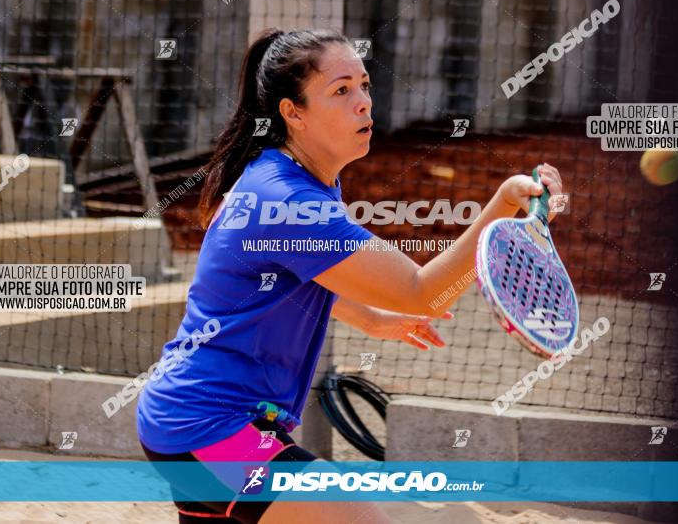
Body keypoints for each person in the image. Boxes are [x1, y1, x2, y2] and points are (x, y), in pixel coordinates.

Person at [136, 28, 564, 524]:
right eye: (341, 90)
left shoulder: (284, 177)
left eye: (363, 85)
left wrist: (370, 318)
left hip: (196, 422)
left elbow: (277, 278)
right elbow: (422, 292)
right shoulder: (291, 202)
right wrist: (504, 207)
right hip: (210, 430)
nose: (363, 102)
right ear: (292, 113)